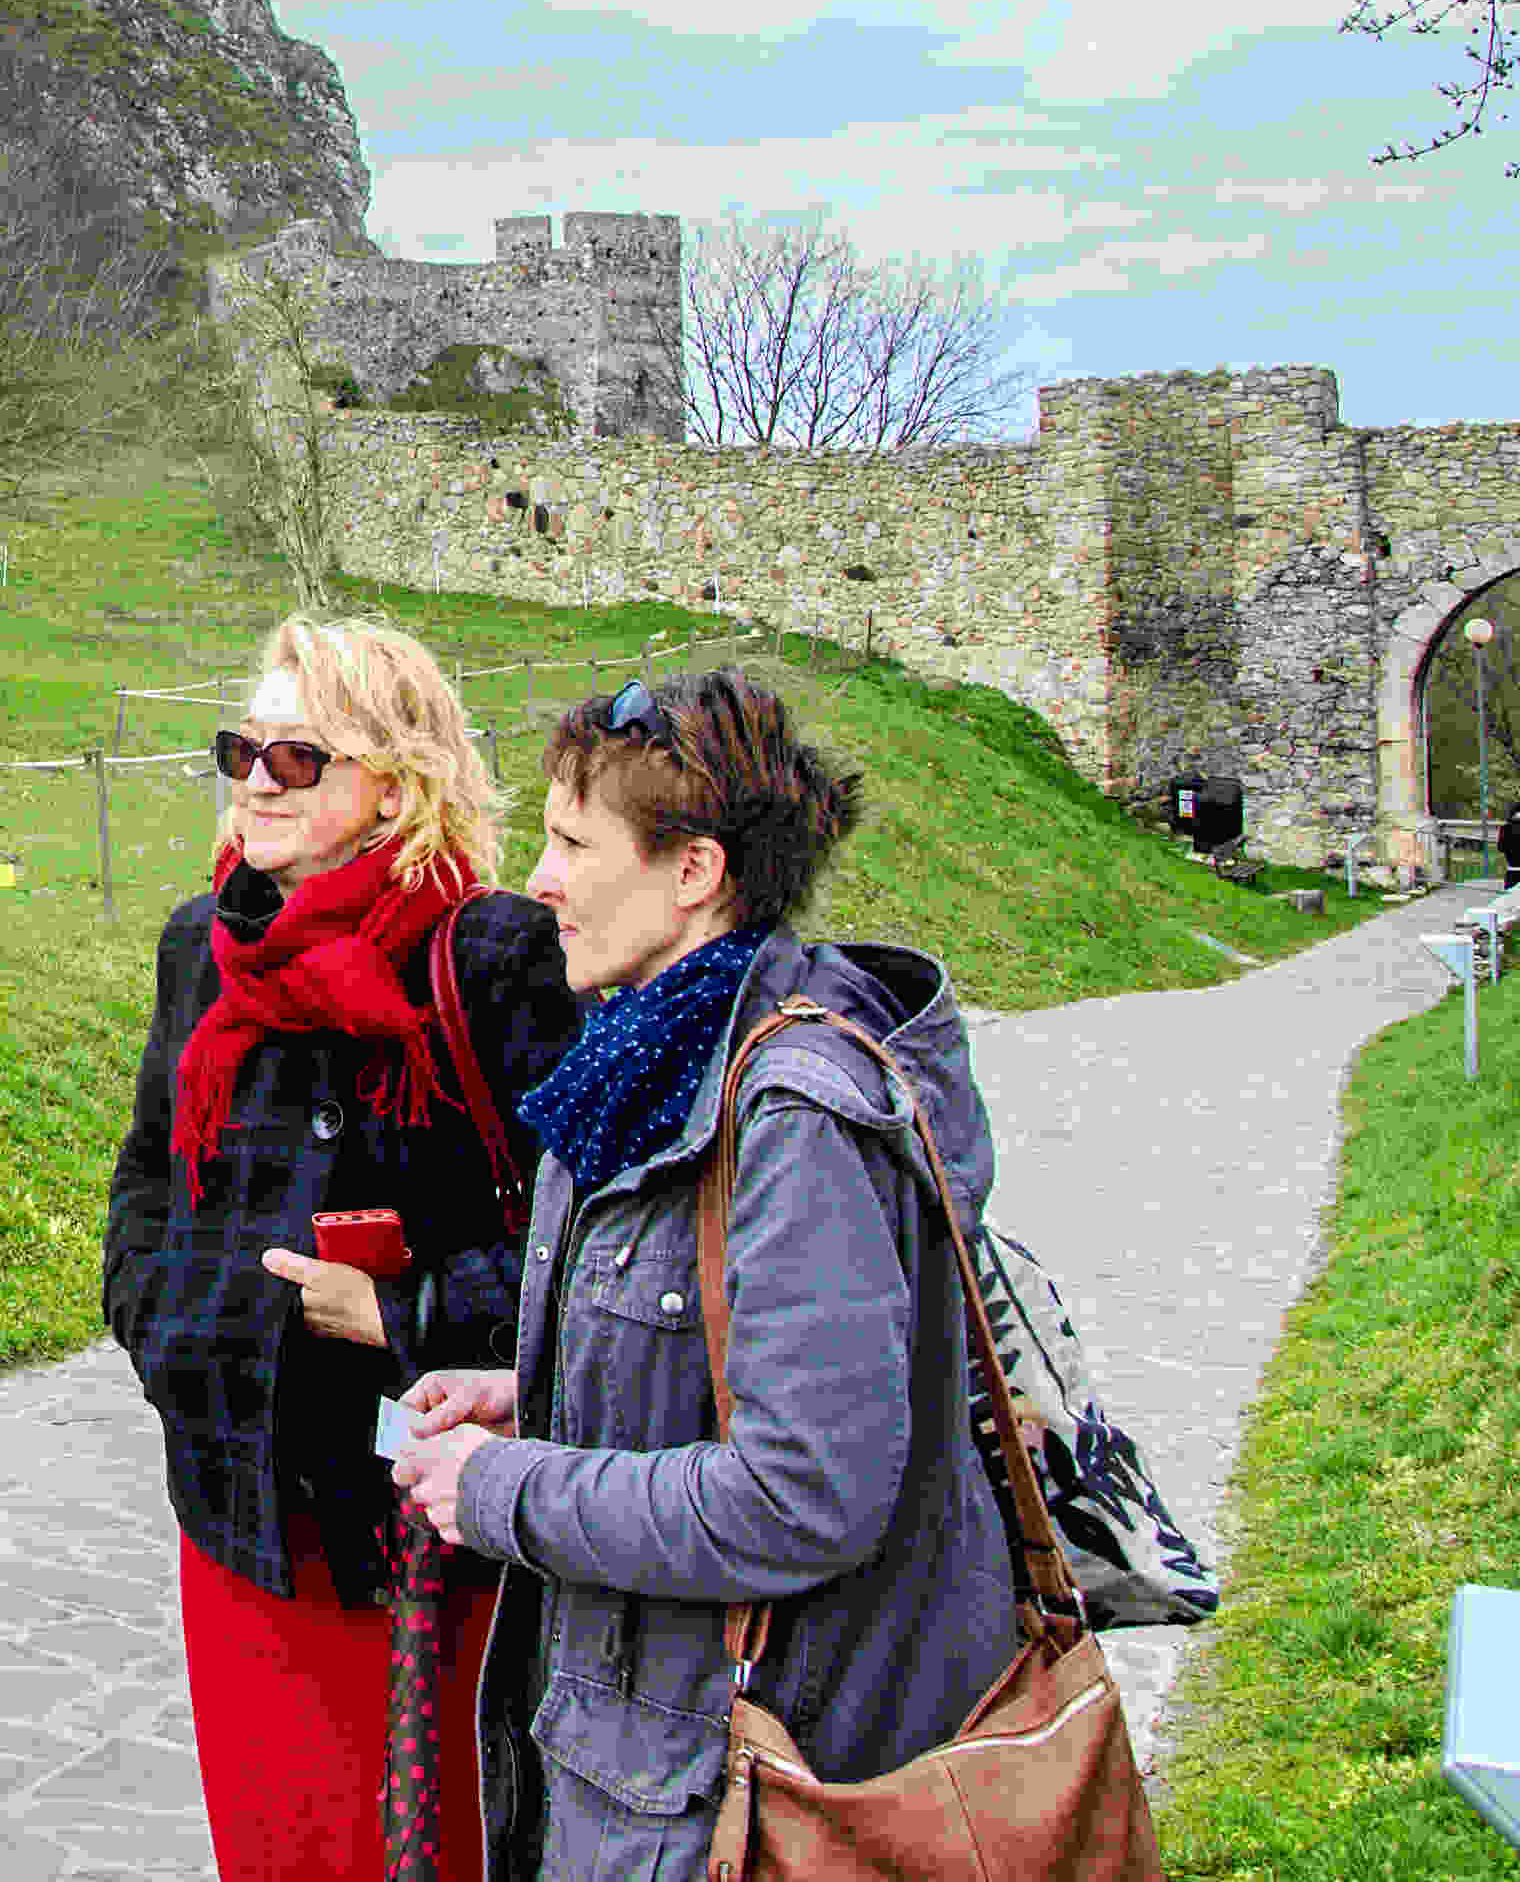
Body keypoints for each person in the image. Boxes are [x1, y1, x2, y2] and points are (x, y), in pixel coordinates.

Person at [388, 668, 1022, 1881]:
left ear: (695, 871)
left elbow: (802, 1494)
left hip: (754, 1796)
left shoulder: (790, 1114)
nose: (541, 877)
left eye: (574, 841)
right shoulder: (640, 1065)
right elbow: (725, 1361)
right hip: (657, 1771)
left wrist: (507, 1487)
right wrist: (539, 1390)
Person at [100, 617, 580, 1881]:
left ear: (395, 780)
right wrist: (166, 1332)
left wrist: (407, 1311)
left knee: (425, 1843)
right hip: (239, 1505)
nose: (256, 776)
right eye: (241, 746)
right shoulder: (201, 946)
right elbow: (147, 1179)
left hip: (417, 1526)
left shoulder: (489, 956)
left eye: (298, 754)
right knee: (276, 1845)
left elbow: (585, 1241)